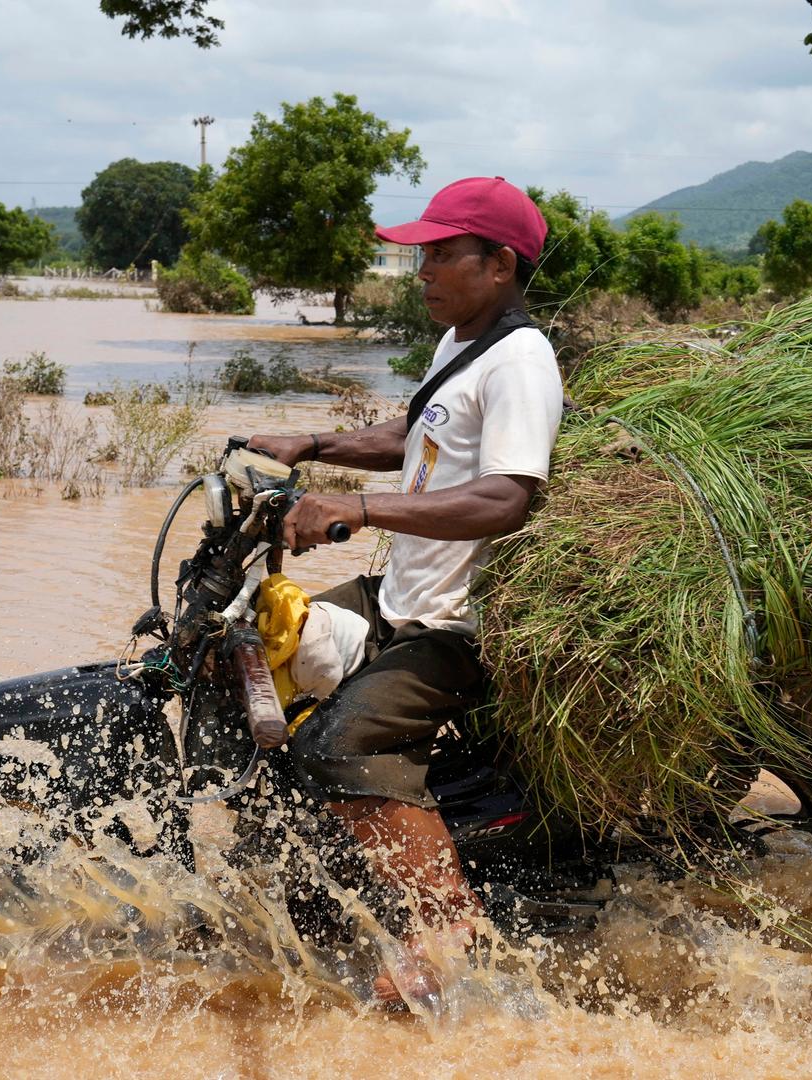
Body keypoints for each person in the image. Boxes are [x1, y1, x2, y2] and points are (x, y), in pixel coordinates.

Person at [246, 176, 562, 1005]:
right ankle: (307, 883)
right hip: (401, 593)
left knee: (338, 744)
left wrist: (351, 507)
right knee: (252, 657)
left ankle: (446, 925)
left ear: (498, 263)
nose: (420, 270)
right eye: (419, 253)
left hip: (459, 622)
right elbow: (410, 434)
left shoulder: (522, 359)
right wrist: (311, 441)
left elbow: (507, 497)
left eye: (439, 253)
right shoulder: (461, 342)